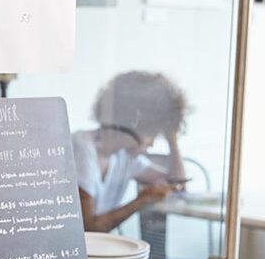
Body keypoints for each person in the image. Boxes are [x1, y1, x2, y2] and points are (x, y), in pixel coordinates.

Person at [75, 71, 189, 233]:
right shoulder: (82, 150)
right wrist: (141, 200)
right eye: (153, 134)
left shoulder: (124, 155)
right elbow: (89, 228)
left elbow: (177, 183)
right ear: (134, 125)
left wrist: (172, 139)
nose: (152, 143)